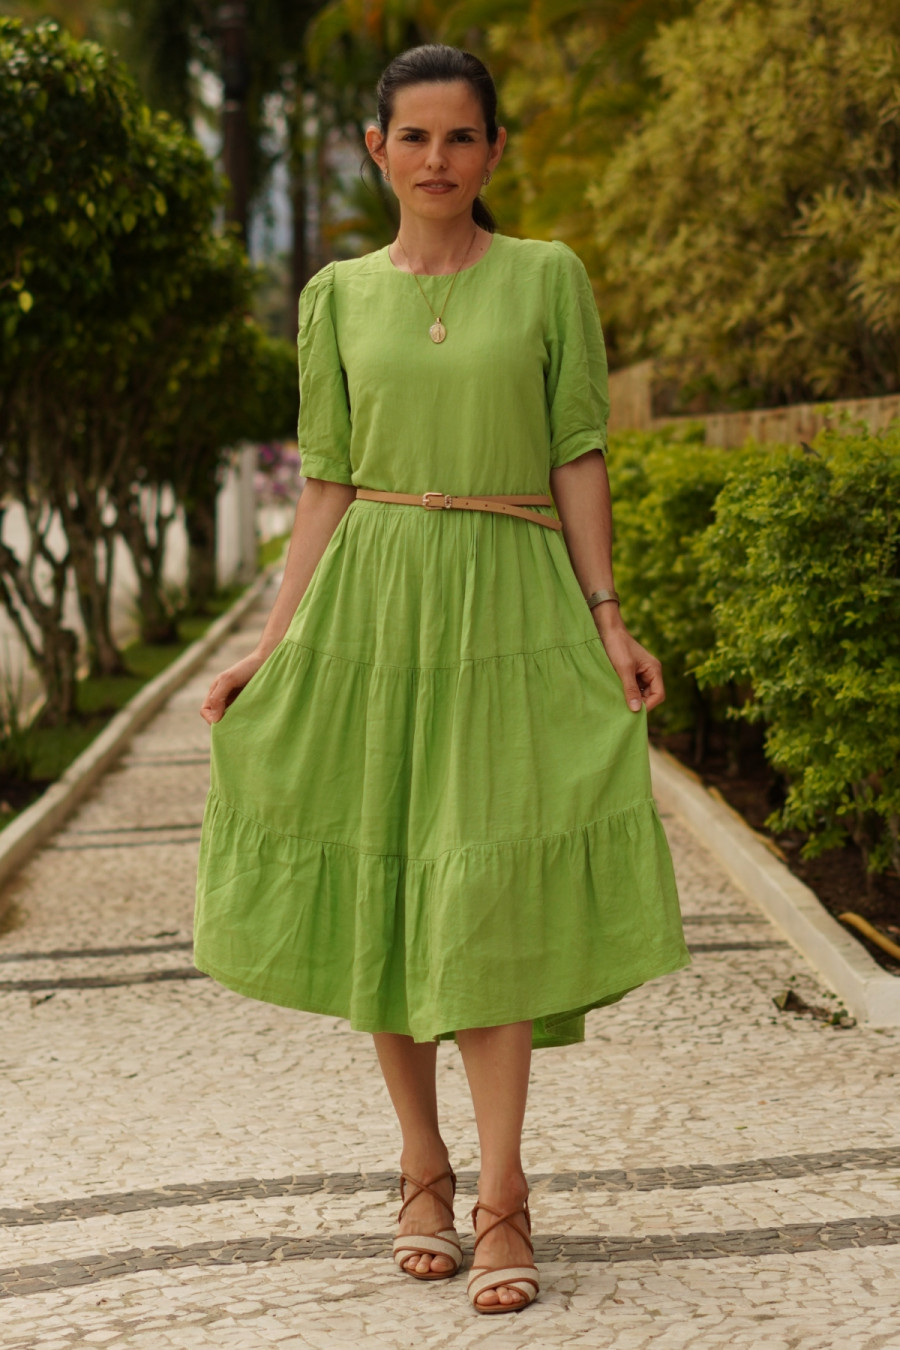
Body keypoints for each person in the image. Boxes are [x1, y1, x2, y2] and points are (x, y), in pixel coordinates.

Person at [194, 43, 690, 1316]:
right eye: (412, 137)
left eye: (460, 136)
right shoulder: (336, 298)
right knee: (390, 880)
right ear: (377, 150)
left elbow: (577, 454)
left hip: (511, 600)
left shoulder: (547, 277)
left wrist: (609, 618)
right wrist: (273, 645)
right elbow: (326, 485)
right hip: (372, 608)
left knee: (490, 887)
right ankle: (421, 1167)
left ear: (493, 149)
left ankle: (505, 1191)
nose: (436, 159)